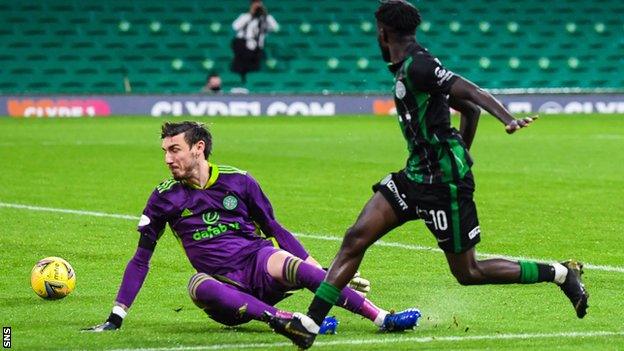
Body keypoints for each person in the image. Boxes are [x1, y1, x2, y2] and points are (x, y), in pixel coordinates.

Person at [267, 1, 589, 349]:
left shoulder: (420, 65)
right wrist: (461, 147)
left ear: (383, 32)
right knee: (356, 237)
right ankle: (310, 325)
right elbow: (467, 111)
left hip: (443, 185)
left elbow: (472, 95)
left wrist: (506, 119)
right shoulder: (405, 67)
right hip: (415, 176)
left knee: (469, 273)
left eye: (377, 31)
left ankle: (560, 273)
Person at [83, 121, 421, 334]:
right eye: (164, 152)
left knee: (291, 263)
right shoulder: (163, 198)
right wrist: (117, 314)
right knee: (196, 284)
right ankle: (287, 319)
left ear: (199, 148)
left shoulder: (239, 181)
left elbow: (273, 227)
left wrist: (315, 268)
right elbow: (141, 258)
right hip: (224, 291)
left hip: (257, 262)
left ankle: (382, 319)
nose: (168, 159)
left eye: (175, 150)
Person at [231, 0, 278, 84]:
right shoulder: (245, 16)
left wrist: (265, 14)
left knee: (254, 69)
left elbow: (275, 27)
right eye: (255, 4)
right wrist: (250, 15)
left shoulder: (266, 18)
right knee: (241, 67)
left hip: (257, 47)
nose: (257, 7)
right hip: (243, 45)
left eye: (259, 5)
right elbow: (235, 26)